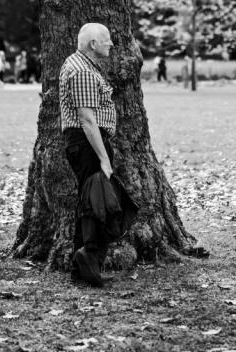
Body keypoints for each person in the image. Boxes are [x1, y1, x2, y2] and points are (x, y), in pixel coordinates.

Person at [59, 23, 132, 287]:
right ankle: (88, 260)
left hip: (87, 141)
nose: (111, 44)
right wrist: (103, 158)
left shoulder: (80, 65)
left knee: (91, 203)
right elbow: (87, 120)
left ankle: (84, 268)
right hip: (89, 142)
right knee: (99, 205)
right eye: (107, 40)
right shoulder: (81, 71)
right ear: (93, 44)